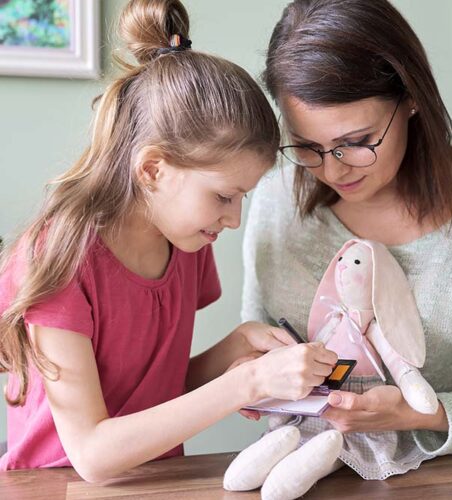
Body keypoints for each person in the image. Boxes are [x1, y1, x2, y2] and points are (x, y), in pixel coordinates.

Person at [0, 0, 338, 481]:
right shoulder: (59, 259)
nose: (235, 219)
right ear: (153, 169)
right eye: (224, 195)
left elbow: (151, 391)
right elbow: (92, 454)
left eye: (242, 197)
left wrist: (234, 349)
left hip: (155, 481)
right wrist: (245, 382)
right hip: (55, 486)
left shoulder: (187, 245)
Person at [238, 0, 452, 493]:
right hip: (307, 475)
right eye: (307, 147)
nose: (334, 168)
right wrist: (255, 377)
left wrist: (420, 414)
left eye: (358, 139)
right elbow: (257, 342)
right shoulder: (274, 203)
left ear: (411, 97)